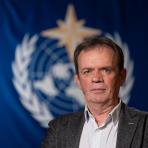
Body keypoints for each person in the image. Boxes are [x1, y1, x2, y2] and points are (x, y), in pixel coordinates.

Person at [41, 35, 148, 148]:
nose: (96, 78)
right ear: (78, 81)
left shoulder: (145, 125)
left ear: (122, 77)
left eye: (106, 70)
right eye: (87, 71)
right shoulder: (58, 129)